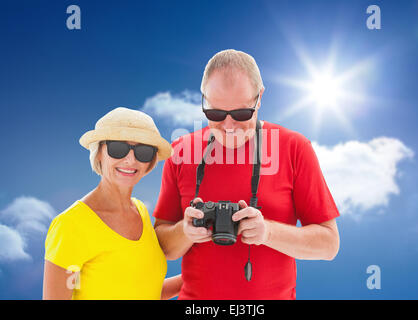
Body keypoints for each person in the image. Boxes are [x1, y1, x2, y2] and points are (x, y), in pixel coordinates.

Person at [152, 49, 340, 300]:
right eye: (216, 114)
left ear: (259, 98)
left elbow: (329, 245)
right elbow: (163, 248)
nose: (228, 126)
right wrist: (184, 231)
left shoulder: (294, 148)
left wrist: (268, 233)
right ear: (204, 100)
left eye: (241, 114)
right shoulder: (181, 151)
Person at [43, 107, 182, 300]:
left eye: (143, 151)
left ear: (150, 161)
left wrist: (197, 275)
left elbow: (142, 291)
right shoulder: (70, 225)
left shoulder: (140, 211)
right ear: (99, 152)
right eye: (118, 148)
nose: (130, 159)